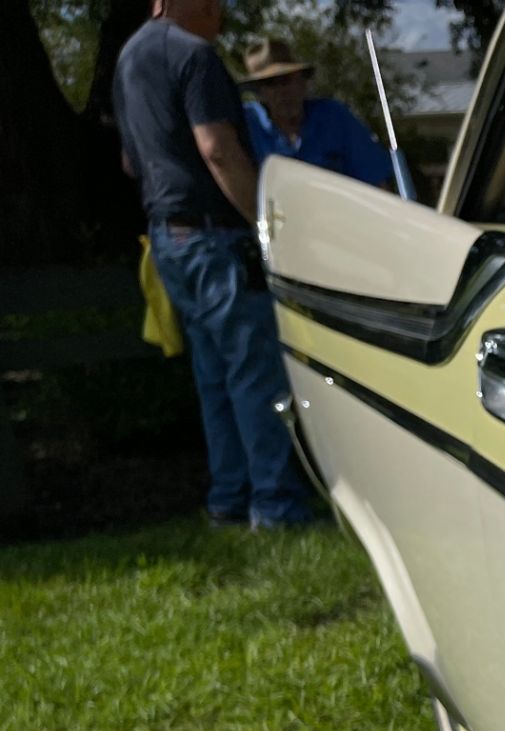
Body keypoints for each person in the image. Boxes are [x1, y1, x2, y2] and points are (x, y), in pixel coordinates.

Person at [113, 0, 316, 529]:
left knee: (214, 378)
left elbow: (130, 162)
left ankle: (228, 499)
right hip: (215, 236)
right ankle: (276, 508)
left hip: (168, 239)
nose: (220, 10)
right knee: (254, 374)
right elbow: (217, 148)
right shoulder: (195, 56)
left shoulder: (129, 59)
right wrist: (261, 225)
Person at [242, 39, 393, 188]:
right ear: (259, 92)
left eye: (286, 80)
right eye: (270, 83)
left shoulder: (334, 117)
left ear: (302, 81)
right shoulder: (246, 124)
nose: (282, 91)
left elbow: (375, 181)